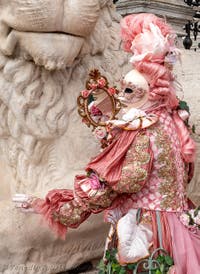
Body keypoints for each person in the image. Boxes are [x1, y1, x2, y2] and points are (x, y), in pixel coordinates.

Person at [13, 14, 199, 273]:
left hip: (148, 232)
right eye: (122, 88)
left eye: (129, 90)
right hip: (178, 226)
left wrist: (48, 205)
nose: (120, 97)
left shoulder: (141, 130)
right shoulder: (173, 122)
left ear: (150, 92)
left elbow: (111, 184)